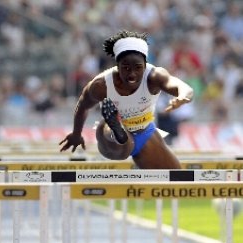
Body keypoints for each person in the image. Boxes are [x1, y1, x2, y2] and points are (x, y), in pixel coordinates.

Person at [59, 30, 193, 169]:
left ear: (145, 65)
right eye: (126, 68)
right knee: (118, 144)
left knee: (177, 177)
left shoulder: (154, 76)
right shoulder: (101, 84)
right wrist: (76, 134)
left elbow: (182, 87)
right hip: (108, 136)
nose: (132, 74)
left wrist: (183, 96)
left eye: (138, 68)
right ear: (117, 66)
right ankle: (116, 131)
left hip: (145, 133)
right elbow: (82, 106)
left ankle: (118, 133)